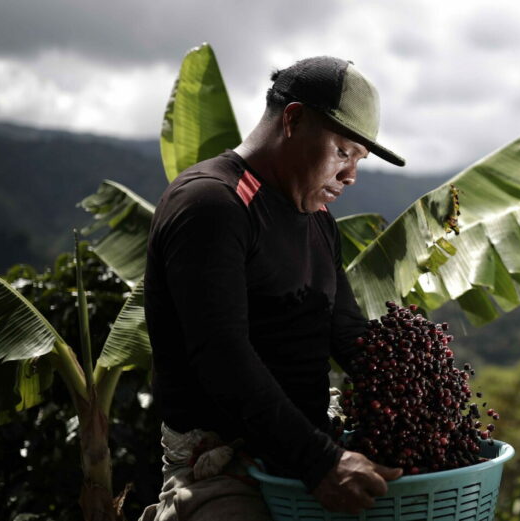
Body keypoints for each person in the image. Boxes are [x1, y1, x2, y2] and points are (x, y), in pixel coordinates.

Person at [140, 56, 404, 521]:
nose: (351, 176)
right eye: (343, 152)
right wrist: (320, 462)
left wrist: (411, 386)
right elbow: (222, 357)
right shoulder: (212, 204)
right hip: (222, 466)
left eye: (358, 160)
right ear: (294, 119)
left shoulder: (318, 220)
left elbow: (344, 330)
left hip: (305, 451)